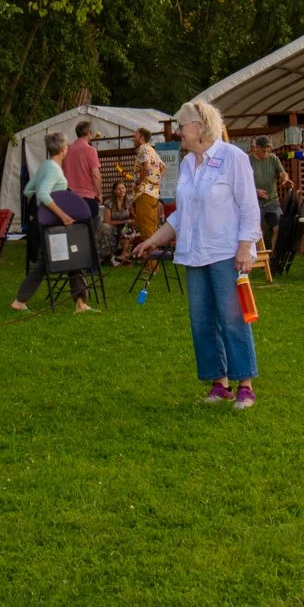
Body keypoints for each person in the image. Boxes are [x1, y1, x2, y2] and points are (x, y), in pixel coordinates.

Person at [133, 100, 260, 409]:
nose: (178, 132)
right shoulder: (189, 163)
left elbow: (248, 207)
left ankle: (245, 385)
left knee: (232, 318)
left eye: (182, 126)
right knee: (202, 321)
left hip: (225, 252)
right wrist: (152, 240)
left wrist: (245, 246)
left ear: (200, 127)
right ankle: (219, 384)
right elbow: (181, 216)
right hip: (194, 253)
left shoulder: (233, 158)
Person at [11, 132, 90, 314]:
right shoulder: (54, 169)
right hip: (54, 225)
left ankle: (20, 300)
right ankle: (81, 304)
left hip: (45, 225)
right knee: (75, 258)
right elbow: (43, 194)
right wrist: (62, 215)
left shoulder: (45, 166)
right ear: (63, 149)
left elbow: (28, 190)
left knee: (47, 264)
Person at [127, 126, 167, 287]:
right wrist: (155, 181)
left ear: (141, 136)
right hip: (154, 193)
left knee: (146, 229)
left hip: (144, 193)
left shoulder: (143, 149)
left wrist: (140, 182)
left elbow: (145, 168)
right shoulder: (151, 150)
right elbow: (163, 168)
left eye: (135, 134)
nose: (133, 136)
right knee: (151, 226)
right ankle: (152, 264)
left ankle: (152, 266)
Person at [249, 137, 288, 285]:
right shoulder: (248, 160)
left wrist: (285, 179)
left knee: (278, 227)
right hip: (254, 200)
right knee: (257, 231)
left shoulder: (273, 159)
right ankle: (258, 259)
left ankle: (273, 259)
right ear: (256, 148)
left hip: (272, 200)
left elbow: (282, 173)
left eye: (268, 149)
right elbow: (241, 181)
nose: (266, 152)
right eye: (263, 149)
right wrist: (255, 190)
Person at [64, 120, 103, 223]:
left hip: (69, 198)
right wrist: (99, 194)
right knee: (91, 226)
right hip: (86, 198)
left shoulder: (67, 149)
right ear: (89, 132)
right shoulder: (90, 150)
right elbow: (96, 175)